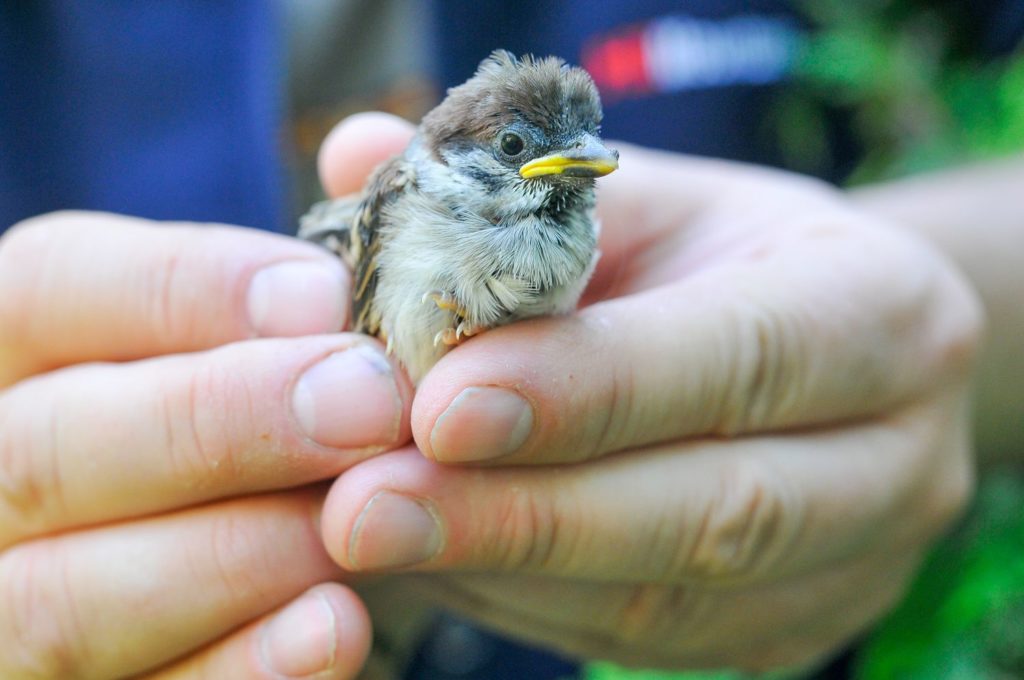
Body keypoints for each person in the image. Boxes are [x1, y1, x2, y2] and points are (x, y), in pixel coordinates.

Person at [0, 4, 1020, 680]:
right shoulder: (413, 197)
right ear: (461, 156)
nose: (561, 167)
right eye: (524, 152)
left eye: (571, 149)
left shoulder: (575, 215)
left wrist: (917, 300)